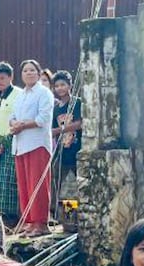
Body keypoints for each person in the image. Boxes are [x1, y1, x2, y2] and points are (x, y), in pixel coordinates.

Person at [11, 59, 54, 237]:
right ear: (21, 75)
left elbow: (42, 119)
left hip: (37, 143)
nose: (28, 73)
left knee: (38, 183)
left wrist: (22, 125)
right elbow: (12, 116)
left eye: (32, 70)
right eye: (25, 71)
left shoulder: (44, 93)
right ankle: (28, 221)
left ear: (38, 73)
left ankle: (40, 222)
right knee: (24, 185)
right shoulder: (21, 95)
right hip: (20, 143)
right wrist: (14, 124)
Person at [0, 62, 22, 223]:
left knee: (11, 181)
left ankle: (13, 218)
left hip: (15, 139)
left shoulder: (18, 94)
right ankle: (2, 217)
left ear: (10, 77)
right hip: (0, 142)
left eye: (2, 78)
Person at [52, 70, 83, 208]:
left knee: (79, 185)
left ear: (70, 85)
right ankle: (68, 219)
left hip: (77, 149)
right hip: (63, 153)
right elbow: (52, 131)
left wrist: (60, 130)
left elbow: (79, 123)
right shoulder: (56, 109)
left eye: (63, 85)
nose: (60, 88)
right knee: (64, 187)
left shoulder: (77, 103)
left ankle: (80, 216)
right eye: (57, 86)